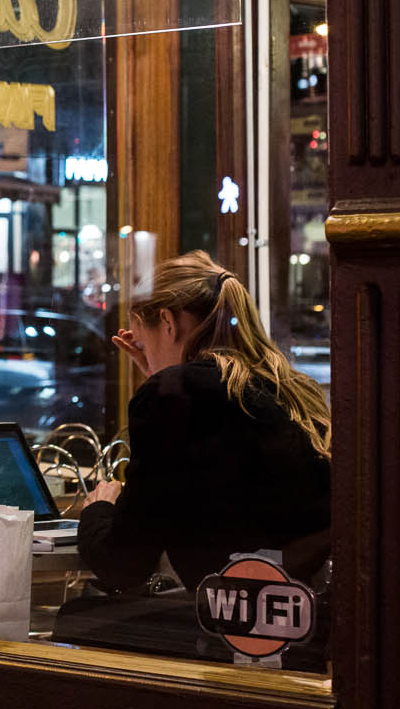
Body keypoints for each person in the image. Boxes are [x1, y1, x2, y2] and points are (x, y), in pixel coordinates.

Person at [75, 249, 331, 593]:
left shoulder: (174, 396)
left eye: (146, 344)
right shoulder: (291, 388)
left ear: (167, 322)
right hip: (306, 612)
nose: (146, 356)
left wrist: (98, 509)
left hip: (234, 624)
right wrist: (159, 373)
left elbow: (123, 564)